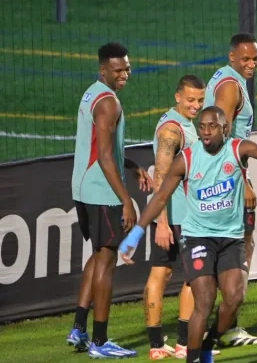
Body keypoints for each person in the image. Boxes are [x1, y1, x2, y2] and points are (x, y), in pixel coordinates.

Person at [118, 107, 257, 363]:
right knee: (205, 300)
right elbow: (160, 198)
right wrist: (136, 234)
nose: (205, 132)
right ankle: (194, 359)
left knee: (235, 297)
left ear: (224, 128)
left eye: (211, 126)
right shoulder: (186, 159)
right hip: (198, 238)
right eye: (201, 127)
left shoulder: (237, 149)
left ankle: (208, 343)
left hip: (231, 238)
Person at [67, 42, 153, 359]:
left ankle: (79, 327)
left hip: (85, 188)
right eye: (118, 70)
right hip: (102, 192)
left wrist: (132, 167)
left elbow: (104, 150)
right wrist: (127, 200)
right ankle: (100, 342)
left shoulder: (92, 93)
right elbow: (104, 157)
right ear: (103, 68)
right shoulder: (108, 104)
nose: (124, 74)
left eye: (127, 68)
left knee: (98, 257)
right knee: (107, 261)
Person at [144, 75, 218, 360]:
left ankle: (156, 345)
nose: (196, 105)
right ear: (177, 97)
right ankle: (184, 343)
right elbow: (161, 176)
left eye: (200, 100)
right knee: (192, 276)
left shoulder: (179, 123)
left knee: (162, 274)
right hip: (179, 217)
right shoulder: (172, 131)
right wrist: (162, 222)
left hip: (178, 214)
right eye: (190, 100)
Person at [202, 32, 257, 346]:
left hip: (218, 177)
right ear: (232, 57)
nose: (251, 64)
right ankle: (225, 328)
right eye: (246, 59)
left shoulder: (223, 79)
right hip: (228, 180)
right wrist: (242, 181)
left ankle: (215, 324)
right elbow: (221, 135)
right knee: (239, 248)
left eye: (255, 58)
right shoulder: (230, 86)